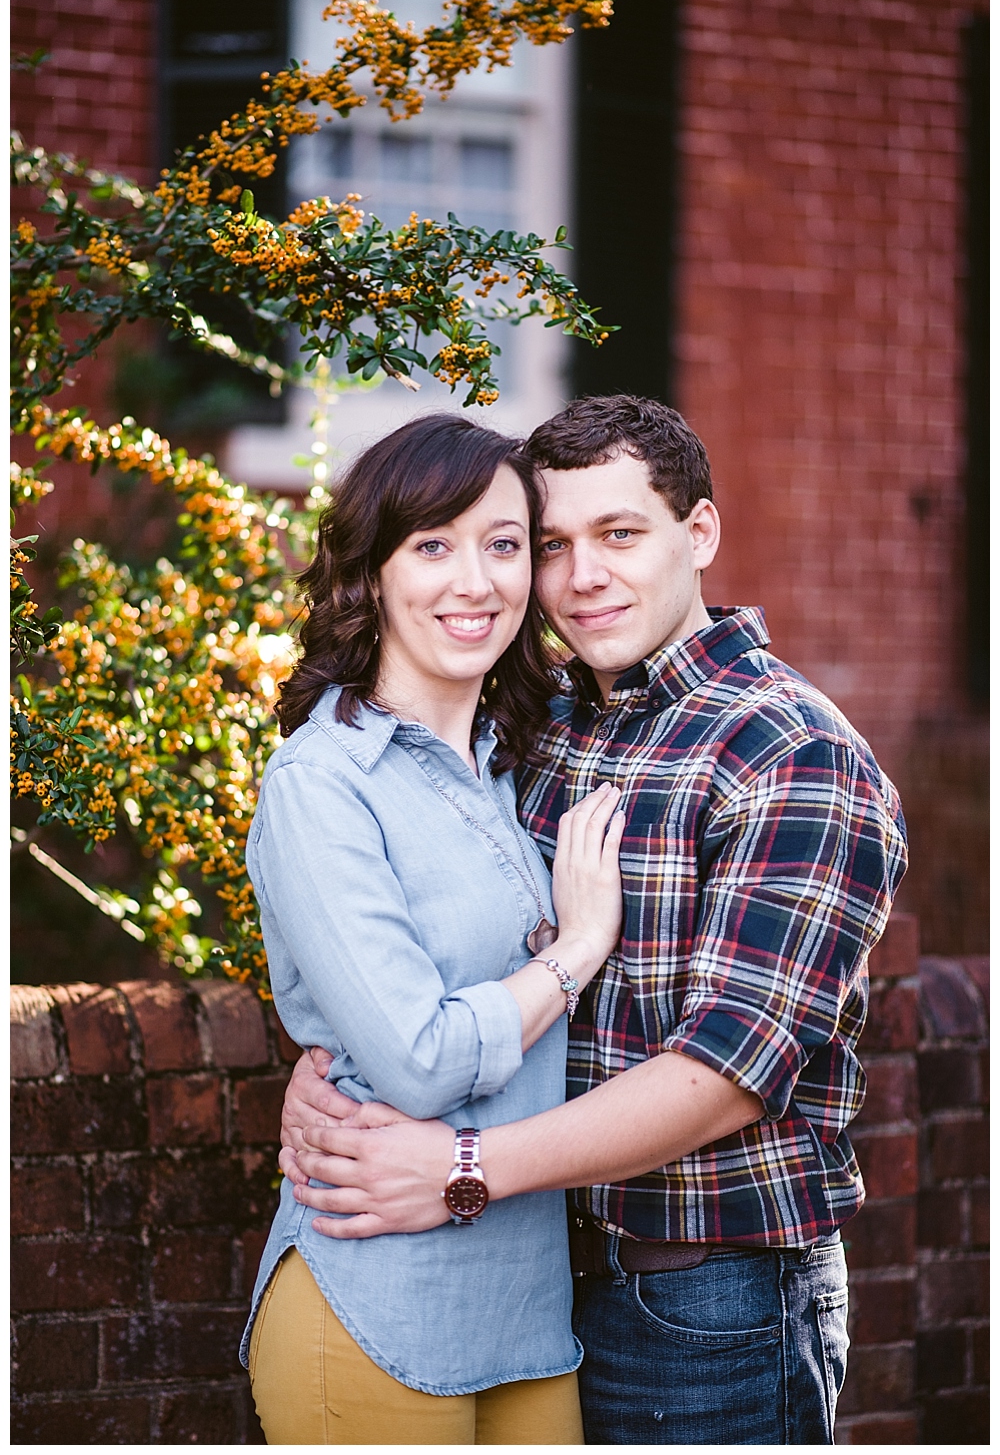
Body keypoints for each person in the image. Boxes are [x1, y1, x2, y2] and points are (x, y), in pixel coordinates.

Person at [280, 395, 909, 1446]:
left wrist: (461, 1167)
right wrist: (335, 1072)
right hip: (528, 1273)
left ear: (697, 533)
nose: (581, 576)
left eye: (620, 534)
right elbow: (420, 945)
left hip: (709, 1304)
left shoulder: (791, 754)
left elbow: (724, 1076)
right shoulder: (541, 720)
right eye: (554, 544)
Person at [242, 412, 627, 1444]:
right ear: (370, 573)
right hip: (377, 1308)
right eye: (433, 546)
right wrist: (574, 952)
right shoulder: (322, 786)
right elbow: (415, 1060)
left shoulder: (523, 765)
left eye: (504, 545)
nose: (476, 581)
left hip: (533, 1314)